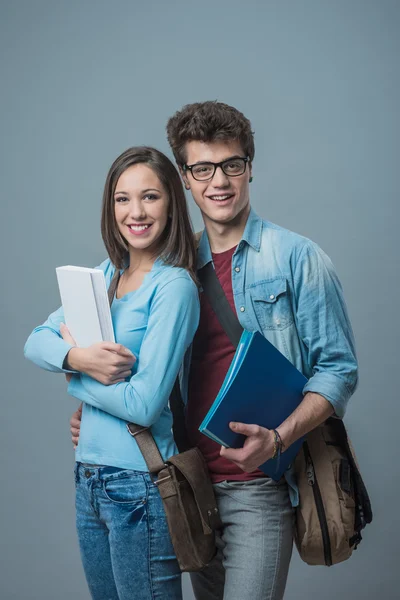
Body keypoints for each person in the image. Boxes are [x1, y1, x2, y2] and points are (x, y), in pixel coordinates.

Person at [70, 102, 358, 600]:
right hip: (186, 485)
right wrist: (94, 406)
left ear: (250, 167)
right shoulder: (172, 266)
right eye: (202, 168)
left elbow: (338, 370)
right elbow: (140, 356)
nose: (218, 182)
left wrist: (279, 437)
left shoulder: (296, 257)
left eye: (232, 165)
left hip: (259, 488)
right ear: (184, 177)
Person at [24, 146, 200, 600]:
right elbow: (35, 341)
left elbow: (144, 404)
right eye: (122, 199)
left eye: (150, 197)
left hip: (141, 485)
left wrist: (75, 380)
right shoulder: (105, 275)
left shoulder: (174, 286)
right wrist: (80, 359)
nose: (135, 212)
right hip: (89, 480)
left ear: (171, 205)